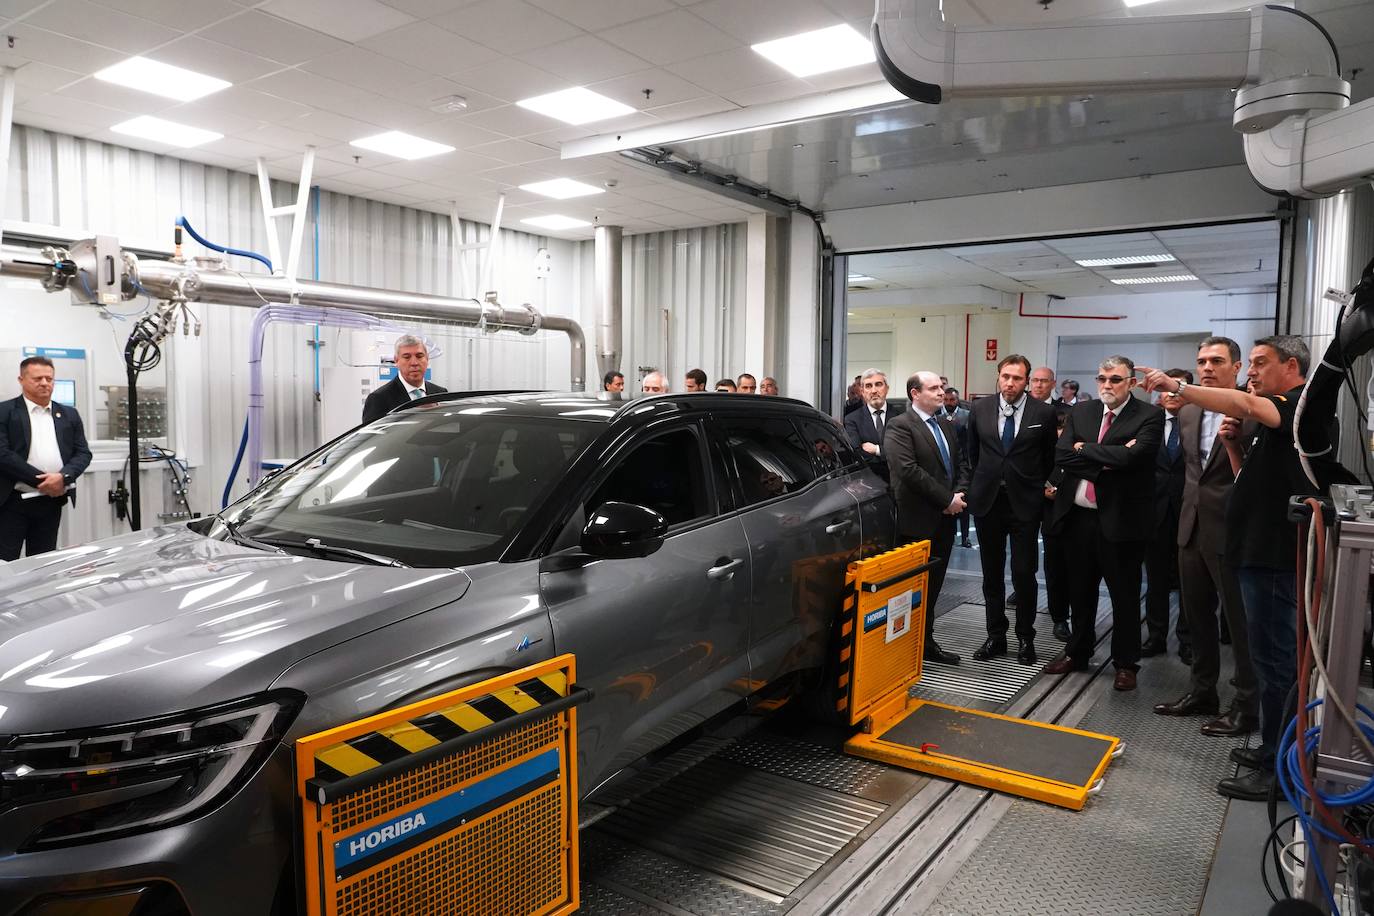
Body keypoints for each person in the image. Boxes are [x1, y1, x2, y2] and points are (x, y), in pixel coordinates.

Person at [1140, 336, 1349, 800]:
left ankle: (1281, 768)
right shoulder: (1273, 420)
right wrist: (1234, 447)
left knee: (1276, 665)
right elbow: (1244, 480)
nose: (1252, 372)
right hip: (1251, 548)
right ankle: (1273, 749)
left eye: (1258, 363)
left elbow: (1241, 400)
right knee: (1266, 655)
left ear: (1290, 367)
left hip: (1274, 556)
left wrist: (1178, 385)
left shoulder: (1296, 408)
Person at [1152, 337, 1259, 743]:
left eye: (1217, 360)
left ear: (1236, 367)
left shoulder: (1253, 412)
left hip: (1233, 531)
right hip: (1191, 526)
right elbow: (1190, 473)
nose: (1208, 367)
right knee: (1196, 617)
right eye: (1202, 360)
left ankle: (1247, 706)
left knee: (1238, 622)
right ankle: (1202, 692)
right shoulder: (1191, 409)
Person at [1044, 356, 1164, 691]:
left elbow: (1135, 458)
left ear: (1131, 383)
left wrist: (1088, 450)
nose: (1107, 385)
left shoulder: (1149, 415)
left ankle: (1126, 663)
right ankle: (1077, 652)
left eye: (1115, 379)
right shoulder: (1083, 411)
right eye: (1102, 379)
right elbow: (1062, 455)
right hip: (1079, 518)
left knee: (1124, 595)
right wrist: (1106, 460)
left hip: (1123, 521)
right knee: (1079, 591)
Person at [966, 355, 1058, 665]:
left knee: (1023, 573)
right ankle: (995, 636)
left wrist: (1032, 485)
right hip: (988, 502)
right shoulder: (979, 409)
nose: (1010, 383)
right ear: (998, 376)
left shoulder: (1043, 413)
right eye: (1006, 376)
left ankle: (1025, 637)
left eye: (1017, 378)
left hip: (1025, 504)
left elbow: (1048, 458)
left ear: (1027, 381)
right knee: (992, 574)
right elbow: (972, 454)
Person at [885, 371, 968, 665]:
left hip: (945, 519)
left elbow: (960, 464)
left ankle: (925, 643)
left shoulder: (946, 425)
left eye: (941, 387)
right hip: (917, 520)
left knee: (933, 587)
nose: (940, 392)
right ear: (914, 394)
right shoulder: (899, 426)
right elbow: (908, 471)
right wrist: (946, 499)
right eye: (933, 388)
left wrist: (958, 495)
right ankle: (901, 648)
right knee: (910, 591)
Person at [0, 356, 93, 561]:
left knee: (44, 562)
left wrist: (63, 477)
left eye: (49, 379)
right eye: (37, 378)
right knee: (5, 562)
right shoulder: (5, 412)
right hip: (11, 503)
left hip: (50, 502)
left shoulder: (68, 414)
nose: (44, 383)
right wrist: (45, 481)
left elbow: (83, 453)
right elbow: (3, 455)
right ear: (21, 380)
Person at [1141, 369, 1191, 661]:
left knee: (1189, 582)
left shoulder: (1199, 423)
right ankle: (1156, 636)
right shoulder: (1149, 423)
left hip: (1189, 510)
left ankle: (1187, 639)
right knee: (1156, 580)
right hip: (1155, 510)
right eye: (1166, 390)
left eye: (1177, 389)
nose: (1171, 395)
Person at [362, 335, 447, 423]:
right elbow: (372, 436)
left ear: (427, 359)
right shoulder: (379, 399)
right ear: (396, 360)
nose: (414, 363)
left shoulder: (440, 393)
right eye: (407, 357)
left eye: (419, 356)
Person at [845, 368, 894, 484]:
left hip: (900, 484)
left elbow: (904, 451)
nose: (874, 390)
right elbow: (857, 454)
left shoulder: (901, 417)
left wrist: (876, 450)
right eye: (868, 386)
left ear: (887, 389)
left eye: (878, 385)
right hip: (870, 484)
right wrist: (889, 454)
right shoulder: (852, 419)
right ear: (862, 391)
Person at [940, 387, 973, 547]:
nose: (948, 403)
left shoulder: (966, 416)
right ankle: (951, 534)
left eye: (952, 400)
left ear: (957, 400)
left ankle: (965, 536)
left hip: (963, 463)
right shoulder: (938, 417)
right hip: (947, 464)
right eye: (946, 400)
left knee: (964, 504)